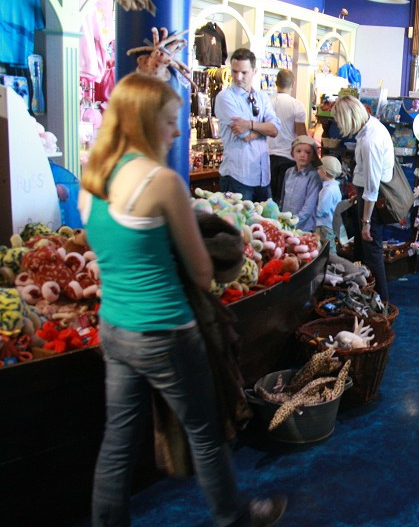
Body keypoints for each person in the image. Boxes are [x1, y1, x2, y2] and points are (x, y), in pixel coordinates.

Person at [79, 73, 286, 527]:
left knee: (117, 441)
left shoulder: (93, 178)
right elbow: (203, 272)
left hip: (114, 328)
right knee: (205, 432)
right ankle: (234, 516)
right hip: (166, 330)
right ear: (145, 121)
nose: (177, 131)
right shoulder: (161, 182)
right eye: (171, 121)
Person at [332, 95, 393, 302]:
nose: (339, 127)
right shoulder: (370, 128)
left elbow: (372, 187)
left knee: (372, 255)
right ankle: (365, 298)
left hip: (371, 205)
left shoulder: (370, 141)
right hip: (367, 200)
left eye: (340, 122)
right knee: (364, 253)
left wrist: (366, 222)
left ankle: (382, 303)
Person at [215, 48, 281, 202]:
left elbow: (276, 128)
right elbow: (244, 135)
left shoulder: (262, 97)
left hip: (263, 177)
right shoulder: (225, 97)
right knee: (238, 225)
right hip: (237, 176)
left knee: (266, 224)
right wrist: (265, 128)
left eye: (244, 72)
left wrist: (250, 124)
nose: (238, 77)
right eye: (234, 71)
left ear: (254, 71)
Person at [269, 69, 308, 203]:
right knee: (285, 200)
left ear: (276, 83)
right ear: (293, 84)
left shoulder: (268, 103)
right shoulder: (296, 105)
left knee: (269, 200)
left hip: (267, 156)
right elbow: (302, 135)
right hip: (288, 157)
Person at [281, 135, 322, 232]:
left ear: (313, 156)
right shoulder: (288, 172)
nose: (303, 155)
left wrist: (294, 222)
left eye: (308, 152)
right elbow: (283, 197)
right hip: (286, 224)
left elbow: (309, 206)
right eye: (298, 151)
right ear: (292, 154)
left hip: (304, 228)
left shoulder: (313, 176)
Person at [315, 155, 343, 254]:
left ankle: (332, 265)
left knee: (326, 249)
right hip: (329, 224)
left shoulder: (328, 190)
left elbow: (322, 210)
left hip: (324, 226)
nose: (317, 171)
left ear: (324, 171)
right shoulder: (334, 187)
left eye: (318, 169)